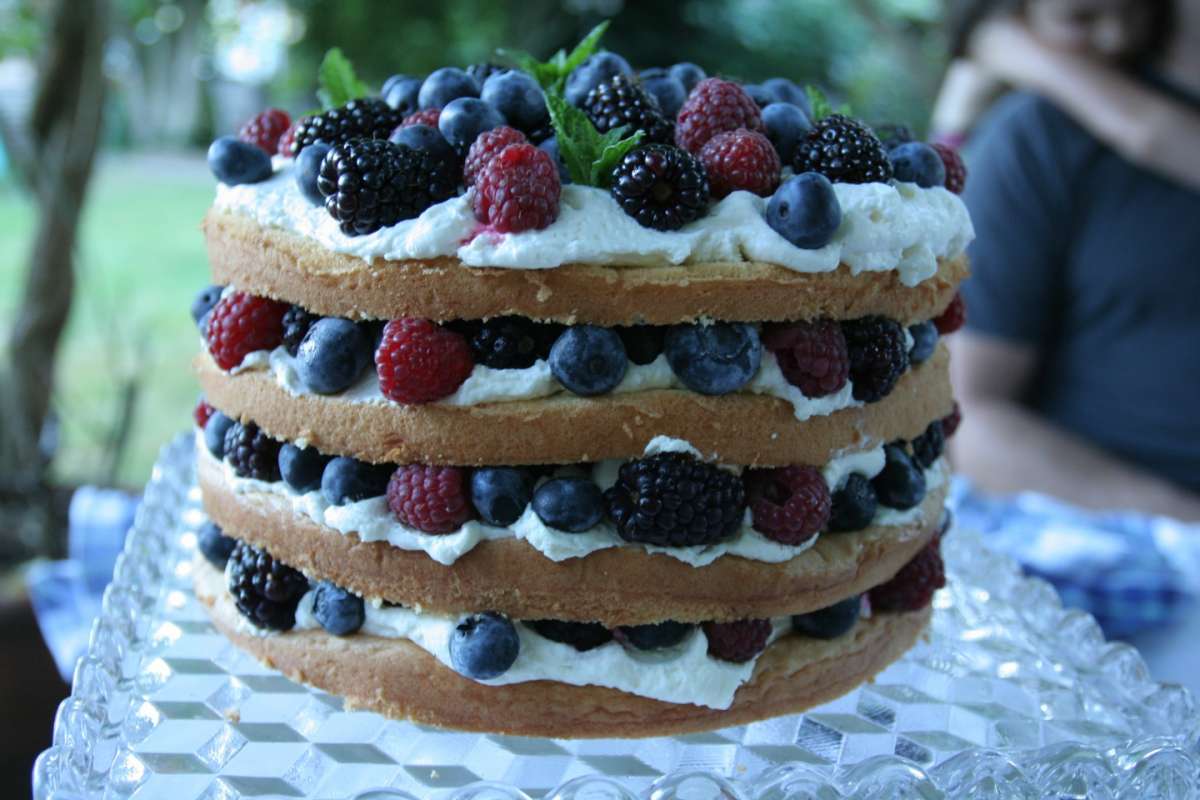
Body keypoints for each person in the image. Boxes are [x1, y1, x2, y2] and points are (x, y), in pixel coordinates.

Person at [943, 0, 1200, 520]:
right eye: (1080, 20)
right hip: (1127, 540)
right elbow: (967, 417)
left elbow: (1146, 131)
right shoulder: (1038, 137)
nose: (1113, 39)